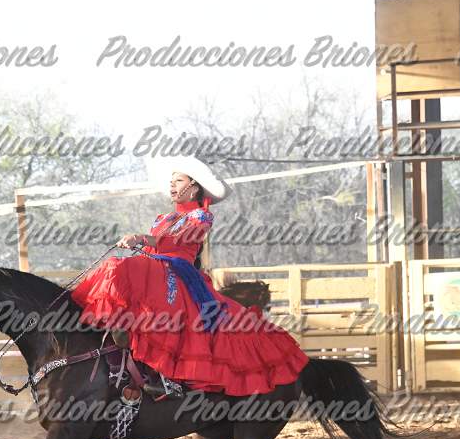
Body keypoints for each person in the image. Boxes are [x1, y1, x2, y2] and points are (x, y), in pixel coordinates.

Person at [70, 156, 309, 396]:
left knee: (118, 268)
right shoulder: (164, 218)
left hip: (178, 270)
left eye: (179, 180)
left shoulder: (201, 216)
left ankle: (160, 374)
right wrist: (142, 244)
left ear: (193, 186)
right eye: (171, 181)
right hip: (157, 266)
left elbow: (177, 241)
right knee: (118, 271)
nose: (172, 185)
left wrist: (141, 238)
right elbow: (155, 246)